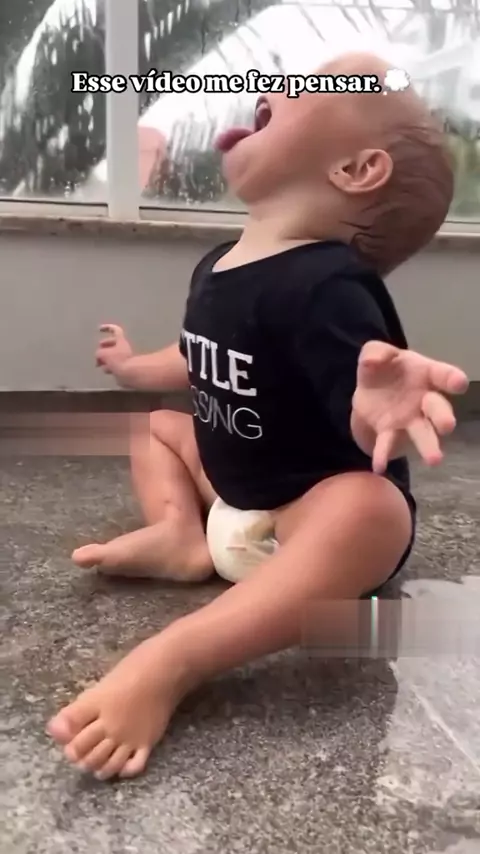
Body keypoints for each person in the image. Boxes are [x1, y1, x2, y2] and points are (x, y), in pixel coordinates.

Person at [47, 52, 468, 780]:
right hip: (234, 496)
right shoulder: (219, 263)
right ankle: (182, 536)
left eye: (313, 86)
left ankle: (174, 659)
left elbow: (359, 406)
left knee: (371, 508)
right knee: (156, 427)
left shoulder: (328, 284)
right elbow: (198, 353)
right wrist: (135, 368)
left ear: (356, 169)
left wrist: (378, 408)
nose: (275, 85)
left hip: (302, 526)